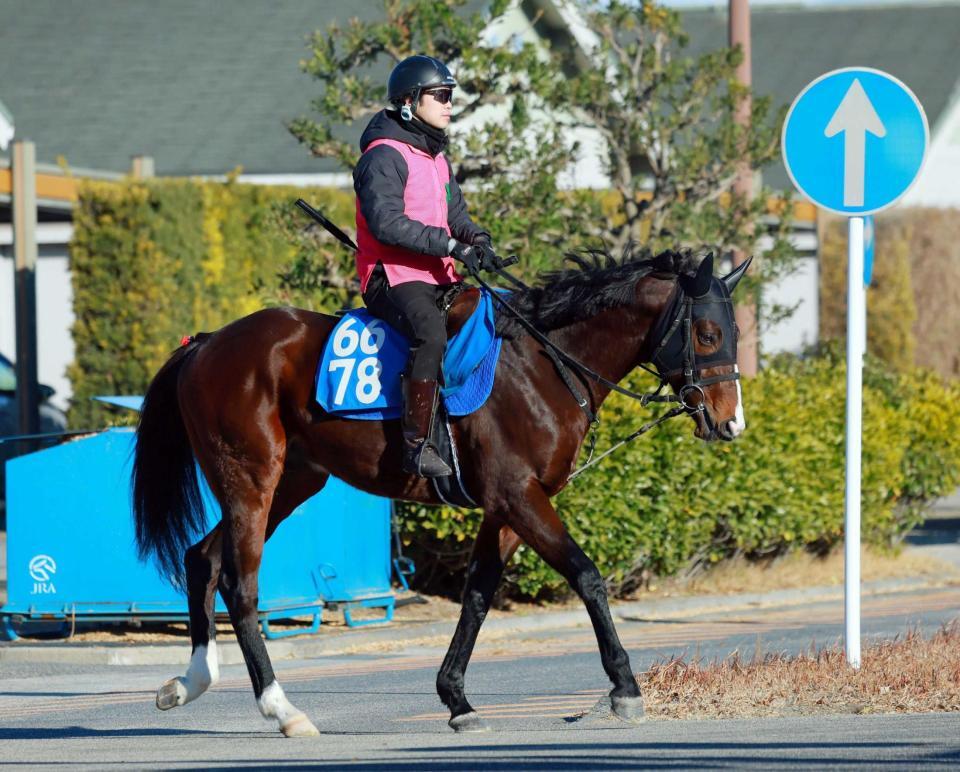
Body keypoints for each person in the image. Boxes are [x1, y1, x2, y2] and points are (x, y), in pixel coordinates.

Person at [354, 54, 497, 478]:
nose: (449, 103)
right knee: (430, 333)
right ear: (409, 102)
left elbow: (457, 218)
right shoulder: (383, 156)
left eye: (450, 95)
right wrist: (450, 244)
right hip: (391, 277)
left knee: (492, 315)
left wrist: (478, 241)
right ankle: (416, 445)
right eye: (440, 95)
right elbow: (386, 224)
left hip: (438, 276)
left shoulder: (437, 159)